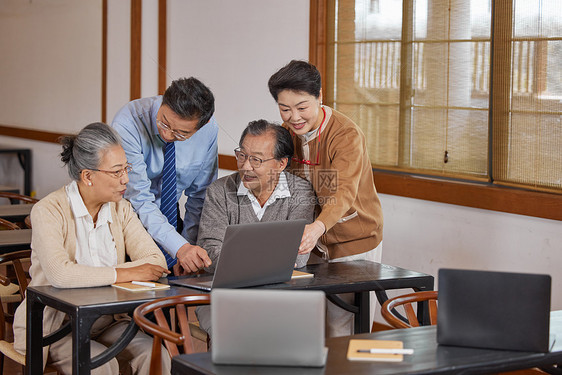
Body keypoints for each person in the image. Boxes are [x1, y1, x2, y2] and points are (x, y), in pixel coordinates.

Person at [12, 123, 171, 374]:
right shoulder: (48, 210)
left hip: (108, 321)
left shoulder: (121, 208)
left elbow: (156, 261)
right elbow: (61, 275)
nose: (126, 179)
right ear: (87, 176)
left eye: (126, 168)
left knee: (157, 356)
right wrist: (127, 273)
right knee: (101, 366)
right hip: (57, 327)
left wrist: (92, 274)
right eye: (117, 171)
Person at [268, 60, 384, 337]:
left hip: (354, 239)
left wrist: (318, 227)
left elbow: (343, 193)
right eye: (285, 109)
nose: (294, 117)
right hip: (312, 243)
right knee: (307, 321)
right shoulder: (287, 133)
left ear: (320, 97)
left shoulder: (345, 134)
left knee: (342, 324)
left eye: (302, 107)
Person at [195, 119, 316, 336]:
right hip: (225, 298)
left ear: (281, 163)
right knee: (234, 335)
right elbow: (210, 251)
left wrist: (239, 262)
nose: (246, 166)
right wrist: (269, 261)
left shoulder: (300, 192)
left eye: (256, 160)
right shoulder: (220, 191)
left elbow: (298, 255)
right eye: (242, 155)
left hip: (282, 298)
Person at [111, 77, 218, 275]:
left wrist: (187, 245)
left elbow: (200, 197)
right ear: (162, 103)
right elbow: (139, 200)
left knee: (177, 287)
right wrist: (180, 248)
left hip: (169, 214)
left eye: (181, 134)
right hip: (128, 217)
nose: (168, 136)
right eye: (164, 123)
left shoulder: (209, 130)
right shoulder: (128, 122)